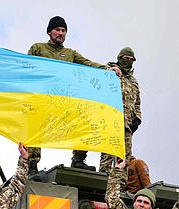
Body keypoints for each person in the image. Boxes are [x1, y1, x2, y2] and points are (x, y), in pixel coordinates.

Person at [27, 16, 120, 178]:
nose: (61, 33)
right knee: (34, 127)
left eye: (64, 31)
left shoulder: (70, 54)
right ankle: (32, 165)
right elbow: (27, 67)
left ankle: (78, 158)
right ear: (49, 32)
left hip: (64, 101)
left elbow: (87, 63)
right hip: (43, 99)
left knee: (86, 118)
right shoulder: (38, 48)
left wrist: (107, 68)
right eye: (57, 30)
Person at [99, 47, 142, 173]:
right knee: (107, 156)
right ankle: (104, 183)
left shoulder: (133, 81)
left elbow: (137, 103)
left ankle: (120, 186)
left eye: (131, 59)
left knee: (124, 159)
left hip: (126, 125)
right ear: (119, 58)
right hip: (110, 122)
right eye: (126, 58)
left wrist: (137, 119)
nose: (128, 61)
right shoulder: (109, 72)